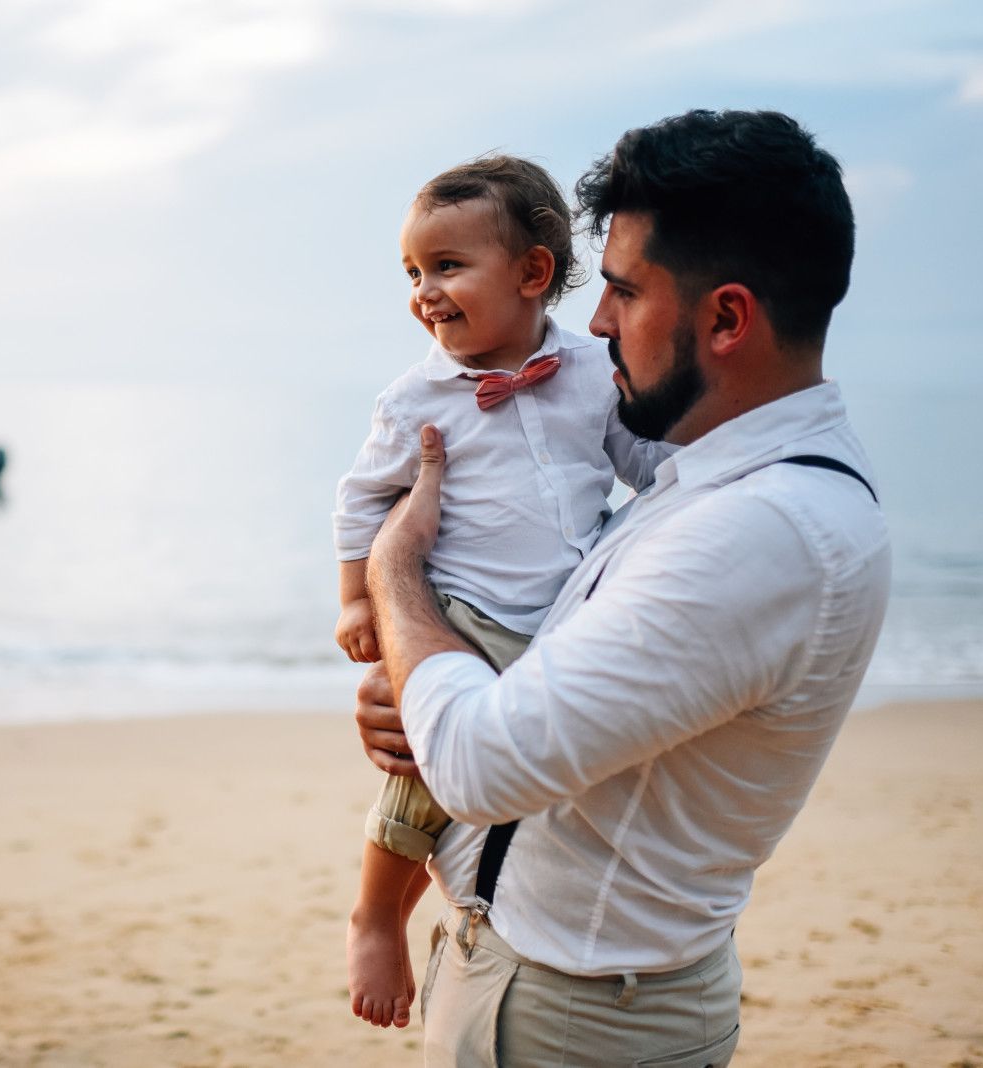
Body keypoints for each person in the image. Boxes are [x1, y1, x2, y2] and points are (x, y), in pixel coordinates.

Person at [356, 109, 891, 1066]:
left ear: (726, 317)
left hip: (576, 1021)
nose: (595, 323)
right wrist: (425, 684)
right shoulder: (702, 473)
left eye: (621, 292)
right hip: (534, 979)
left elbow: (480, 764)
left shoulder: (761, 531)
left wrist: (398, 576)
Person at [334, 155, 671, 1030]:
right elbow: (362, 499)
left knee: (559, 763)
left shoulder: (595, 372)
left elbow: (639, 463)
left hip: (565, 612)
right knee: (425, 772)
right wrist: (358, 603)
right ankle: (377, 913)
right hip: (464, 616)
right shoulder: (415, 399)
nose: (425, 291)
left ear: (533, 273)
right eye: (413, 273)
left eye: (447, 267)